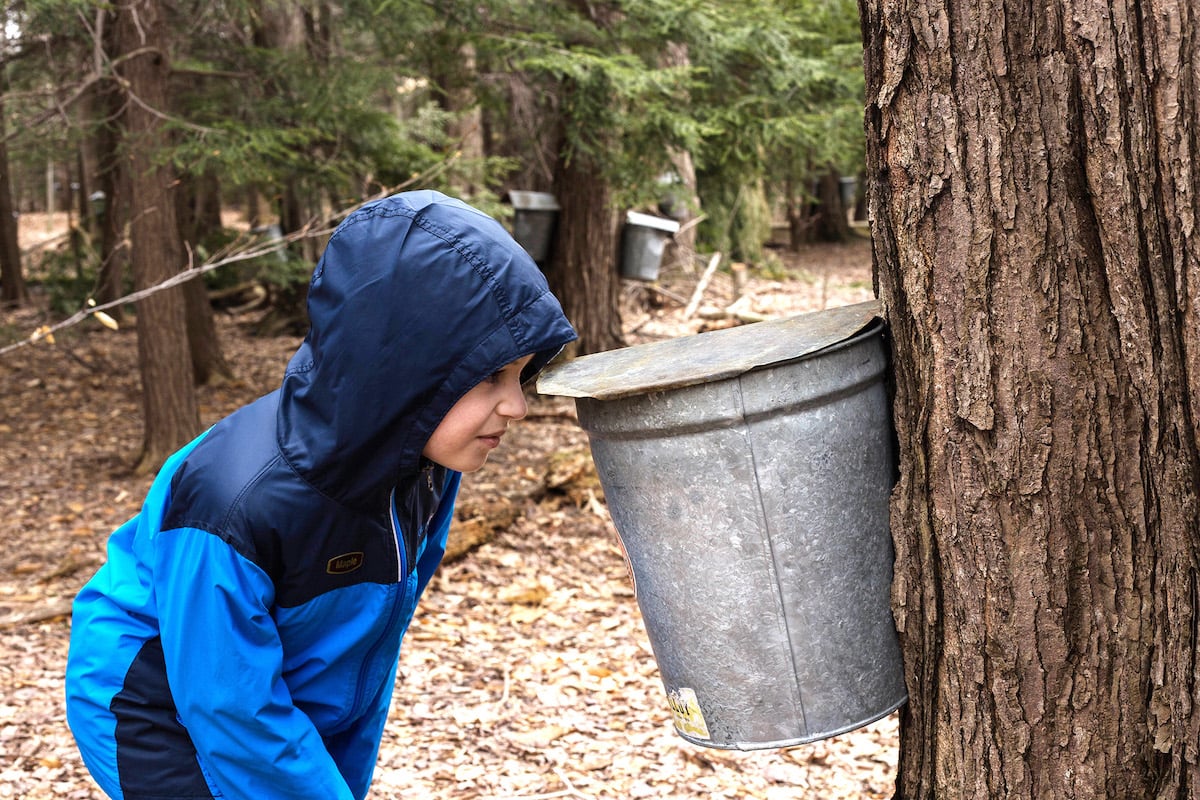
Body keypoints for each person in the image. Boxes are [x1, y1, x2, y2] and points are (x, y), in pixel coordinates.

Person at [65, 190, 577, 799]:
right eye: (490, 375)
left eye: (522, 375)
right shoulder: (232, 502)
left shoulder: (426, 469)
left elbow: (365, 657)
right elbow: (229, 708)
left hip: (274, 687)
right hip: (154, 703)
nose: (517, 406)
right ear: (406, 369)